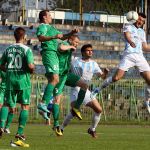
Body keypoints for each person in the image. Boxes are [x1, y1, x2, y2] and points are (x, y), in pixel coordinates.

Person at [91, 12, 150, 114]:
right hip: (129, 55)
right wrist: (130, 41)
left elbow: (145, 47)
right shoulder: (128, 26)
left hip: (140, 57)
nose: (141, 22)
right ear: (135, 19)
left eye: (143, 21)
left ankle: (147, 101)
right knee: (116, 78)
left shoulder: (142, 32)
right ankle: (97, 90)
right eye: (139, 19)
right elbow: (127, 36)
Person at [36, 10, 80, 119]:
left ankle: (44, 105)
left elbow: (61, 37)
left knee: (55, 80)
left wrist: (71, 33)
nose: (51, 17)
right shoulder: (43, 26)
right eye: (49, 15)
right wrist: (53, 37)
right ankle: (43, 103)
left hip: (53, 54)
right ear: (44, 18)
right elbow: (40, 37)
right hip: (49, 52)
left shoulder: (52, 28)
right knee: (55, 79)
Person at [60, 44, 109, 138]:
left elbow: (102, 76)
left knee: (99, 110)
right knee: (74, 111)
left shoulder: (94, 64)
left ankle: (92, 129)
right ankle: (61, 128)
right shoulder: (75, 60)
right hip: (75, 88)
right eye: (88, 50)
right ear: (83, 52)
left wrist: (105, 73)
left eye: (91, 50)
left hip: (85, 89)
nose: (90, 52)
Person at [0, 27, 34, 147]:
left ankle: (1, 127)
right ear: (24, 37)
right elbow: (30, 66)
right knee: (24, 106)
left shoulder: (8, 49)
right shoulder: (26, 49)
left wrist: (9, 70)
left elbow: (1, 64)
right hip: (22, 81)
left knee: (6, 104)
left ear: (14, 37)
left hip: (10, 80)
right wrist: (32, 69)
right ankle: (19, 133)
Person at [51, 35, 88, 136]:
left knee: (84, 85)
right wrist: (70, 47)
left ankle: (76, 108)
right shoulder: (65, 45)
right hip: (59, 75)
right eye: (75, 42)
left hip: (66, 75)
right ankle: (56, 124)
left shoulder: (71, 50)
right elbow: (60, 47)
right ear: (70, 40)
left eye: (77, 43)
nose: (76, 45)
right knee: (57, 100)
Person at [0, 69, 14, 134]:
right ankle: (2, 127)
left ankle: (7, 127)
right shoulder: (1, 66)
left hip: (12, 90)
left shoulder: (14, 68)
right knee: (2, 105)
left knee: (12, 109)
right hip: (2, 90)